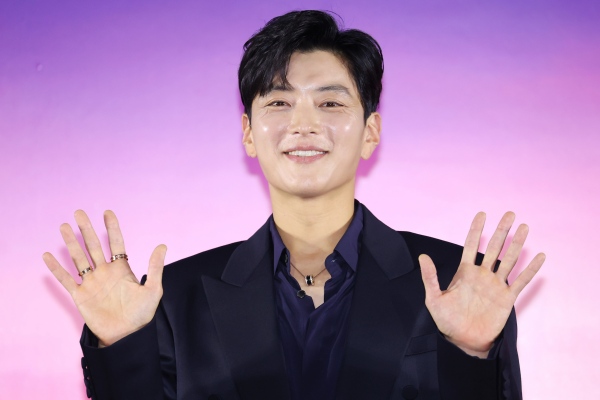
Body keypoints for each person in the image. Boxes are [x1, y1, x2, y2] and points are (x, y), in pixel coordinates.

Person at [43, 10, 545, 400]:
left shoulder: (456, 284)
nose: (303, 124)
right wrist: (121, 346)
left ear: (370, 131)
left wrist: (470, 352)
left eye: (330, 103)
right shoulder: (174, 298)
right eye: (279, 103)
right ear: (248, 133)